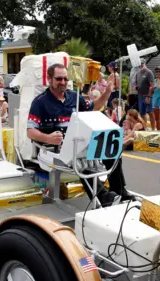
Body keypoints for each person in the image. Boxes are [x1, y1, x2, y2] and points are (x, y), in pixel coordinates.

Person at [27, 63, 134, 206]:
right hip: (52, 149)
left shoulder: (74, 97)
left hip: (79, 142)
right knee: (80, 159)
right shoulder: (40, 102)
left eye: (65, 79)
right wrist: (48, 138)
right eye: (59, 79)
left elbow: (93, 108)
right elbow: (30, 131)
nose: (63, 82)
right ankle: (102, 197)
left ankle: (119, 190)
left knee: (111, 151)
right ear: (49, 79)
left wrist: (107, 93)